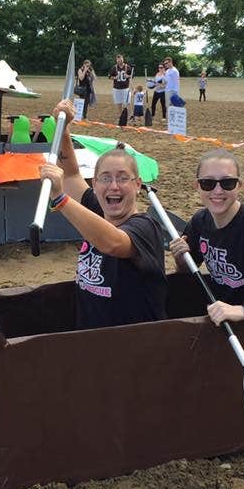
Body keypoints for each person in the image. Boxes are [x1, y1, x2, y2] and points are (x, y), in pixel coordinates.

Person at [38, 100, 167, 330]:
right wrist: (65, 129)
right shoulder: (99, 210)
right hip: (93, 340)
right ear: (95, 184)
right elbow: (70, 176)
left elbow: (113, 242)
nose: (114, 186)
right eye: (105, 178)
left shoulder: (146, 227)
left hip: (135, 346)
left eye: (122, 178)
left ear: (138, 185)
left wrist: (60, 199)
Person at [167, 149, 244, 326]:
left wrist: (242, 311)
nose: (218, 191)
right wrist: (180, 260)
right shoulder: (199, 221)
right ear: (197, 186)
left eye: (228, 183)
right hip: (221, 316)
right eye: (208, 183)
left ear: (239, 185)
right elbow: (187, 274)